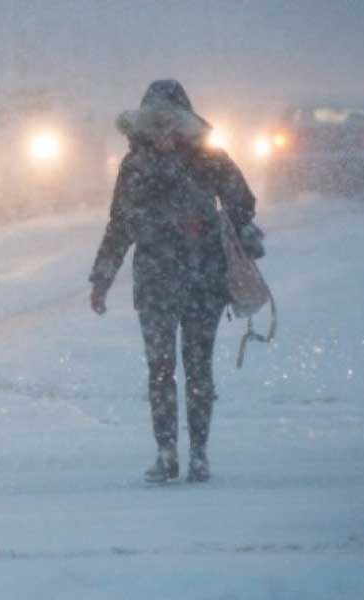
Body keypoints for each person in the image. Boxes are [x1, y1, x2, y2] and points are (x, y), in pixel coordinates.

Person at [89, 79, 259, 483]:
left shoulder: (140, 165)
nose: (164, 132)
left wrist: (104, 276)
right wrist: (102, 277)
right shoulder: (204, 158)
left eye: (170, 122)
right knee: (181, 369)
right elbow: (243, 203)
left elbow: (121, 225)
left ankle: (181, 454)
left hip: (167, 281)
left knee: (171, 369)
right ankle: (185, 454)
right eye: (157, 123)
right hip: (196, 278)